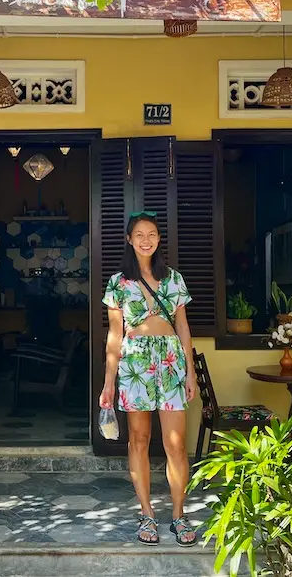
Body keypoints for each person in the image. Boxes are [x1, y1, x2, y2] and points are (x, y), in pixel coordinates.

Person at [99, 211, 199, 546]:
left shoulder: (173, 279)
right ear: (129, 240)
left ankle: (178, 515)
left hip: (170, 363)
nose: (146, 240)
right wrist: (109, 382)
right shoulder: (118, 283)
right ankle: (146, 513)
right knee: (138, 441)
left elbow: (183, 328)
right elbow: (115, 335)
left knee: (175, 444)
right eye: (139, 235)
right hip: (134, 364)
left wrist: (190, 372)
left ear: (158, 239)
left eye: (152, 234)